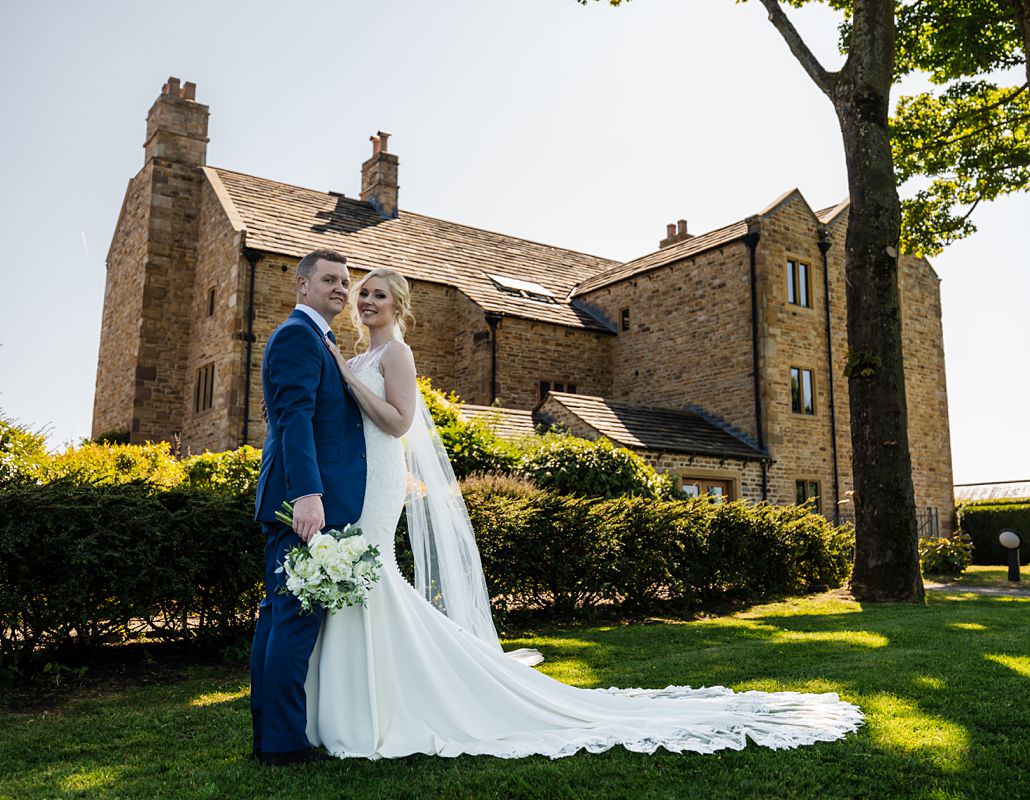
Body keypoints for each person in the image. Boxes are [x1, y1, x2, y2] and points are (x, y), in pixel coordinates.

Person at [302, 266, 864, 760]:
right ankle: (369, 697)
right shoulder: (359, 353)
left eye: (378, 294)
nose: (366, 301)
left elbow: (399, 423)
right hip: (365, 473)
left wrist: (349, 379)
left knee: (373, 574)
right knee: (367, 576)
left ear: (399, 305)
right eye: (363, 294)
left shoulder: (394, 354)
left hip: (381, 475)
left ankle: (385, 701)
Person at [250, 249, 366, 766]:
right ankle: (282, 744)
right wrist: (308, 493)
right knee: (293, 620)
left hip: (302, 496)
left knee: (279, 618)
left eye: (346, 281)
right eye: (330, 280)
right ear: (302, 286)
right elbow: (293, 419)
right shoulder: (298, 335)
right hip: (301, 502)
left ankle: (273, 737)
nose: (342, 288)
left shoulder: (319, 338)